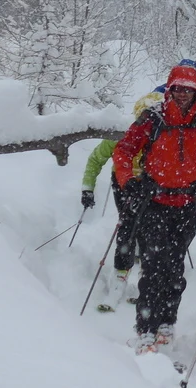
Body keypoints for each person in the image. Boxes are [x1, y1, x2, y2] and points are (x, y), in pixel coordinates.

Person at [112, 61, 196, 354]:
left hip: (186, 206)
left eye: (189, 90)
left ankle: (167, 322)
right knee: (153, 266)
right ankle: (146, 327)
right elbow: (124, 150)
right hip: (154, 204)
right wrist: (127, 180)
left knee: (174, 266)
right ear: (169, 89)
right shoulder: (152, 119)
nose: (183, 94)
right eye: (178, 89)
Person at [80, 90, 163, 288]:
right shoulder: (122, 133)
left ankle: (147, 270)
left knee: (151, 227)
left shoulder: (165, 136)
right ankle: (122, 270)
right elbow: (96, 159)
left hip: (153, 184)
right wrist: (87, 188)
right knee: (128, 223)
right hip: (123, 182)